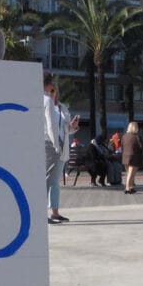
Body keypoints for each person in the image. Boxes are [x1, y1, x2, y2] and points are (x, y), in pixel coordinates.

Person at [43, 73, 80, 224]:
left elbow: (66, 129)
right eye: (50, 91)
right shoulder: (44, 103)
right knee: (46, 179)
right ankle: (42, 212)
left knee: (55, 180)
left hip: (61, 145)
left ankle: (55, 212)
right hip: (49, 143)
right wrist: (54, 143)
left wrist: (73, 127)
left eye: (54, 91)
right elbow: (49, 127)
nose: (52, 94)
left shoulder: (62, 108)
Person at [122, 121, 143, 193]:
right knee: (131, 174)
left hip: (125, 156)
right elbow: (142, 147)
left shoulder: (124, 136)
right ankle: (127, 188)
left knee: (128, 173)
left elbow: (122, 145)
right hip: (134, 157)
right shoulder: (137, 137)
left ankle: (131, 187)